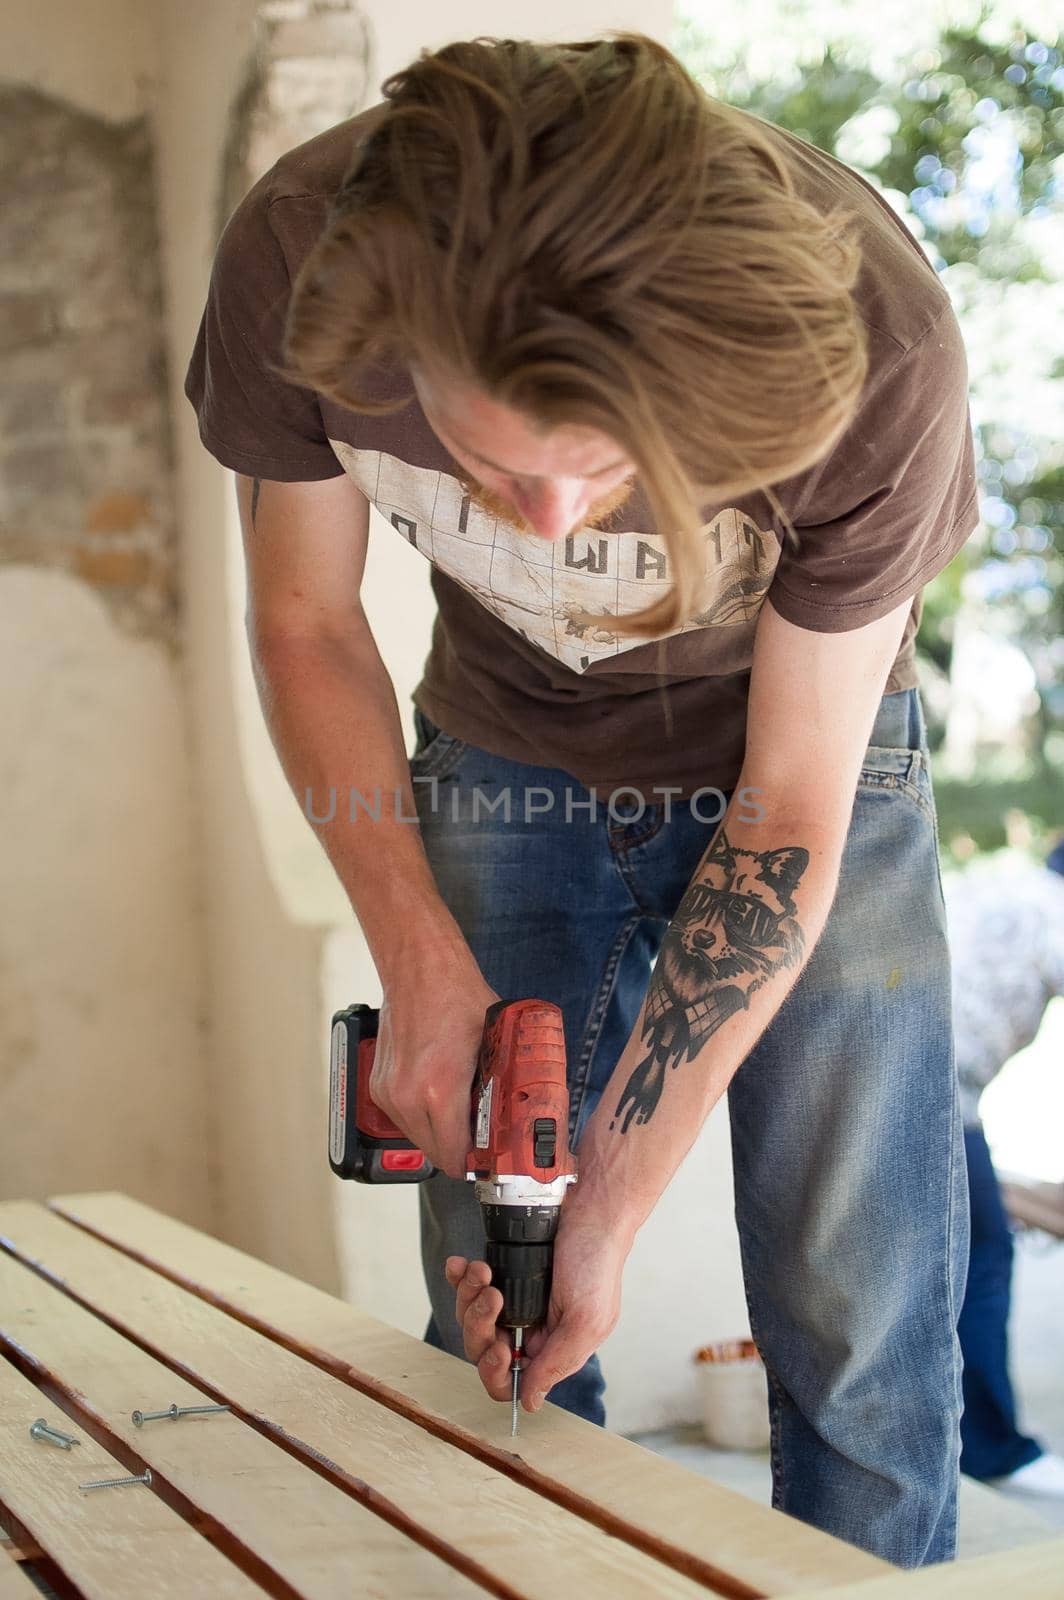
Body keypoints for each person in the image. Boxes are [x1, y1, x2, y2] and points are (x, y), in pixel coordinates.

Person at [185, 34, 980, 1565]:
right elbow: (309, 620)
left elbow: (789, 799)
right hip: (501, 742)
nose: (547, 530)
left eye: (605, 470)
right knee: (499, 1290)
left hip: (812, 755)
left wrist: (615, 1188)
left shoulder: (876, 347)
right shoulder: (302, 260)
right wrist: (420, 974)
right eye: (494, 467)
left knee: (856, 1306)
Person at [945, 839, 1064, 1498]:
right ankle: (991, 1451)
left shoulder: (1003, 878)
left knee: (960, 1245)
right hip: (939, 1088)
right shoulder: (1057, 912)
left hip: (893, 1065)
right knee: (981, 1259)